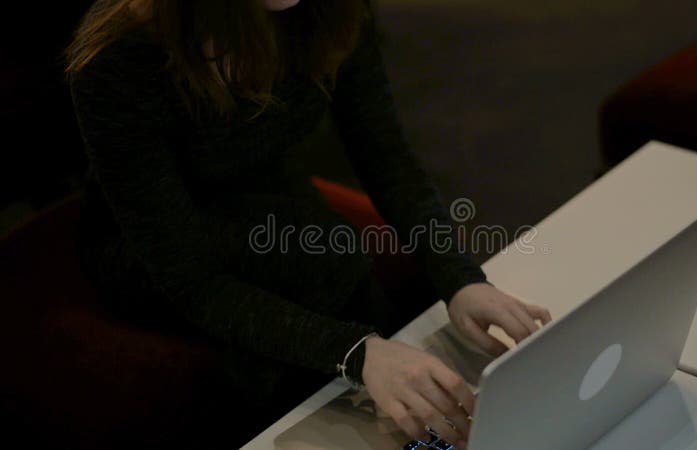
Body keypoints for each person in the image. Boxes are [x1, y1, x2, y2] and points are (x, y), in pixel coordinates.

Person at [66, 0, 551, 447]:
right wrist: (359, 353)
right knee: (314, 284)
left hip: (270, 195)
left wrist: (460, 279)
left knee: (332, 262)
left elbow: (385, 156)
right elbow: (190, 278)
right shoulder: (121, 59)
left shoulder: (327, 9)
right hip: (150, 244)